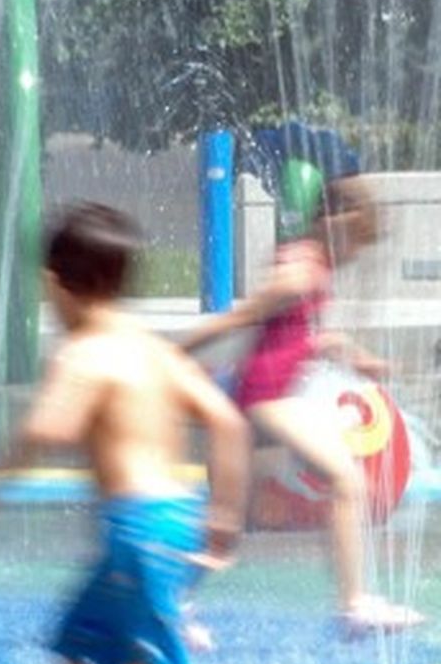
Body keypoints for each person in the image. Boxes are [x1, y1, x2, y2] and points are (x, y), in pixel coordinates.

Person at [0, 203, 274, 664]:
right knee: (73, 642)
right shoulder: (151, 351)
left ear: (53, 283)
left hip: (138, 533)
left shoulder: (84, 354)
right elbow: (228, 423)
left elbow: (50, 427)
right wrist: (224, 523)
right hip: (174, 518)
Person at [181, 177, 423, 634]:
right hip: (264, 399)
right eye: (358, 241)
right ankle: (354, 607)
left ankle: (170, 604)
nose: (356, 255)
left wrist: (357, 358)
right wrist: (174, 352)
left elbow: (309, 336)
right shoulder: (300, 271)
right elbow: (242, 317)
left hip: (264, 401)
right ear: (337, 221)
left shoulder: (312, 266)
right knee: (344, 477)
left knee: (228, 525)